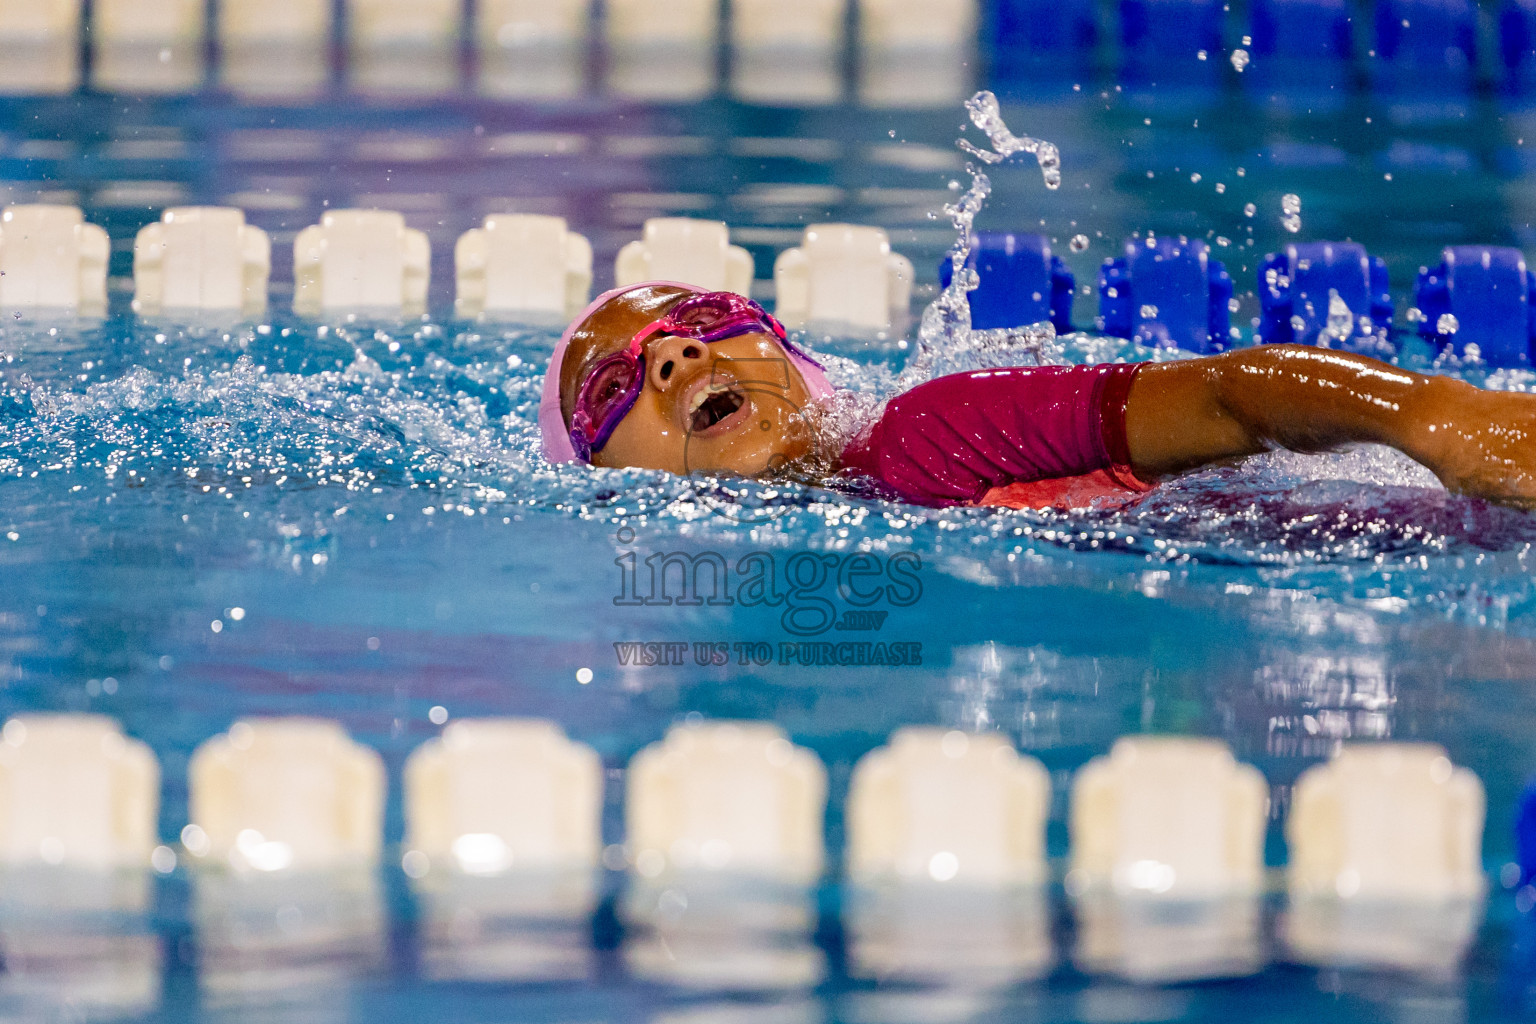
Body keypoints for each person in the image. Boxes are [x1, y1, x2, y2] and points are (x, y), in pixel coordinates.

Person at [539, 282, 1536, 511]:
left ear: (790, 358)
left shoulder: (921, 438)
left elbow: (1235, 395)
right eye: (613, 381)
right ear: (598, 474)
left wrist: (1449, 423)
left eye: (700, 318)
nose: (668, 359)